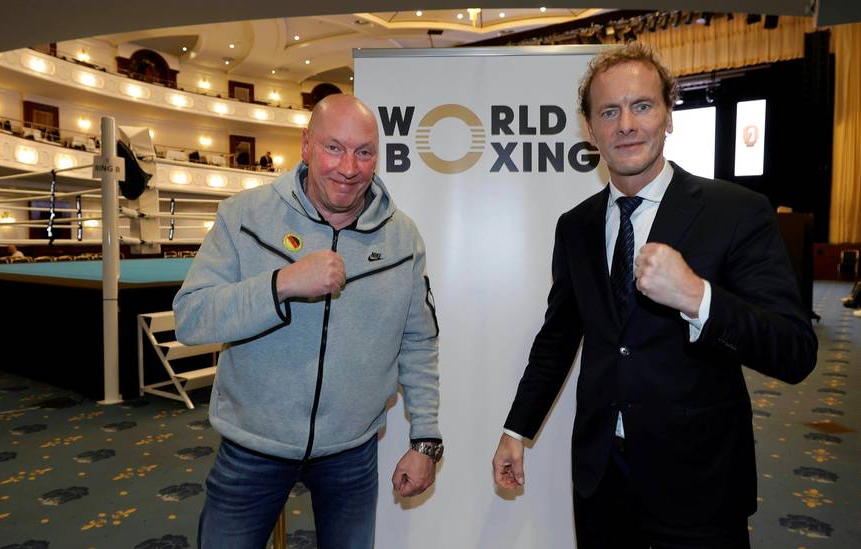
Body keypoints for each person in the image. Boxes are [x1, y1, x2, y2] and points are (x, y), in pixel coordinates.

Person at [491, 43, 818, 548]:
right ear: (590, 128)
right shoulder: (576, 226)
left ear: (668, 116)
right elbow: (558, 338)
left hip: (699, 483)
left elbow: (794, 351)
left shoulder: (735, 211)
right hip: (602, 479)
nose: (626, 124)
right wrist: (517, 430)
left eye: (641, 106)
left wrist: (698, 298)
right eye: (609, 112)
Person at [173, 94, 443, 549]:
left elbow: (418, 340)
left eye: (363, 152)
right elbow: (192, 317)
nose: (349, 168)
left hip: (350, 452)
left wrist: (425, 439)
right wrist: (281, 284)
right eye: (333, 147)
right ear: (305, 145)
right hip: (251, 447)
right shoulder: (244, 215)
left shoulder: (402, 238)